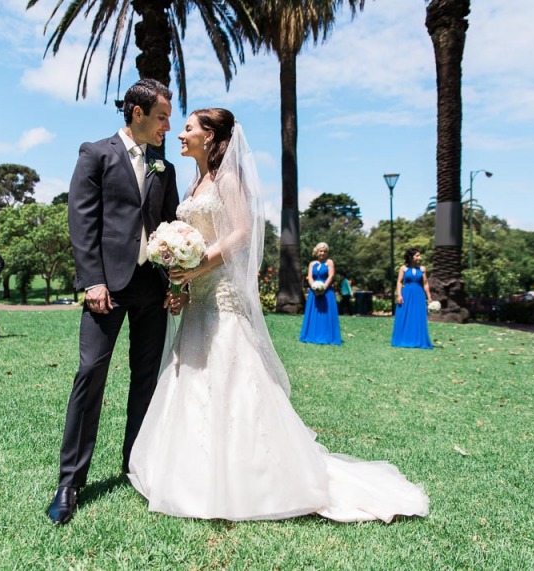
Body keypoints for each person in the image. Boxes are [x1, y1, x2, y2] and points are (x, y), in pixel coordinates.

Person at [127, 108, 429, 523]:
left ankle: (256, 478)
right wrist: (182, 282)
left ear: (212, 137)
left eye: (189, 128)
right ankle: (186, 473)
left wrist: (198, 266)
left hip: (223, 297)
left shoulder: (228, 180)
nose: (180, 134)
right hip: (198, 296)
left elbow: (240, 232)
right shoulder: (196, 183)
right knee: (193, 379)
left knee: (232, 378)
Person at [46, 79, 180, 525]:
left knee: (147, 380)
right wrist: (93, 282)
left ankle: (135, 466)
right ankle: (70, 481)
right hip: (108, 287)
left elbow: (171, 223)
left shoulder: (165, 166)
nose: (167, 125)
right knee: (91, 373)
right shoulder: (96, 154)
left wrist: (176, 276)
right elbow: (82, 221)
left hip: (152, 287)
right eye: (162, 116)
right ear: (137, 113)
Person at [299, 242, 342, 345]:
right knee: (313, 314)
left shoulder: (329, 262)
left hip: (327, 293)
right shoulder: (312, 264)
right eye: (320, 251)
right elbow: (310, 277)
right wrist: (314, 287)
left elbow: (331, 276)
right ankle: (311, 335)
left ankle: (327, 336)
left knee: (325, 315)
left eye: (324, 251)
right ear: (317, 251)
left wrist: (323, 288)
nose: (322, 253)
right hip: (314, 293)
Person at [391, 248, 434, 349]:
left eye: (420, 255)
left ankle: (418, 340)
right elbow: (399, 282)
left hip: (419, 295)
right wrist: (399, 295)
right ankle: (403, 339)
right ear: (411, 257)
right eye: (417, 255)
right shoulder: (403, 269)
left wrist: (429, 297)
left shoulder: (422, 269)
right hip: (406, 294)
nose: (420, 257)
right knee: (405, 316)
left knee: (418, 316)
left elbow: (425, 283)